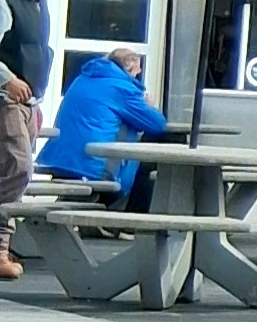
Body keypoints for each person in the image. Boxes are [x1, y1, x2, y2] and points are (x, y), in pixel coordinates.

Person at [38, 47, 168, 206]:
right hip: (93, 170)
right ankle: (130, 219)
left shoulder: (82, 79)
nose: (138, 74)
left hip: (60, 164)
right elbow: (157, 124)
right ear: (130, 65)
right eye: (138, 69)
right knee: (149, 164)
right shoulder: (122, 88)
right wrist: (149, 106)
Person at [0, 0, 57, 282]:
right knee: (17, 169)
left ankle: (3, 246)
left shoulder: (38, 3)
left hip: (27, 102)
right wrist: (7, 79)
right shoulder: (4, 0)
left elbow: (37, 52)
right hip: (5, 98)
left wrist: (37, 99)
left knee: (12, 172)